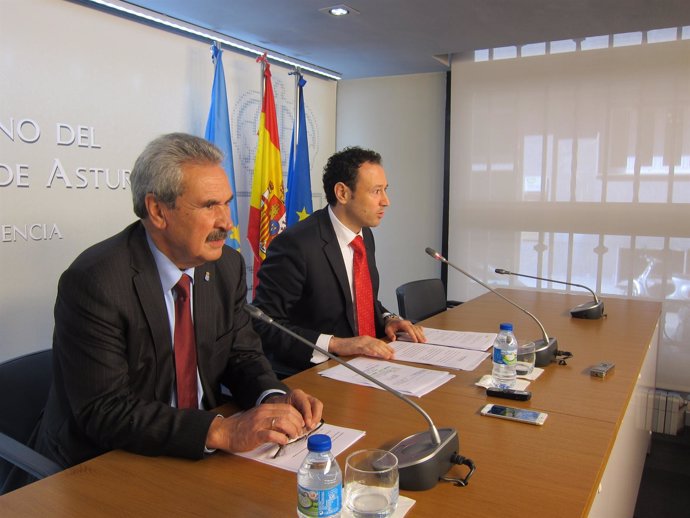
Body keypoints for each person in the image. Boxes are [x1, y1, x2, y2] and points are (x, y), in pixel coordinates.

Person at [30, 133, 323, 475]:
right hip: (106, 460)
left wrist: (271, 399)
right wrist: (219, 430)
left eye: (227, 203)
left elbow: (242, 355)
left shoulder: (225, 266)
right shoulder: (95, 282)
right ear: (157, 210)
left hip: (199, 451)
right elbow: (104, 410)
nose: (227, 223)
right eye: (209, 205)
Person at [252, 146, 425, 375]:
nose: (386, 201)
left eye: (385, 190)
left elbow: (360, 301)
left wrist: (388, 319)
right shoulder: (296, 245)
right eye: (376, 191)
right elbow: (264, 324)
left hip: (367, 366)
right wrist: (338, 344)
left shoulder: (364, 235)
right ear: (342, 193)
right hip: (313, 374)